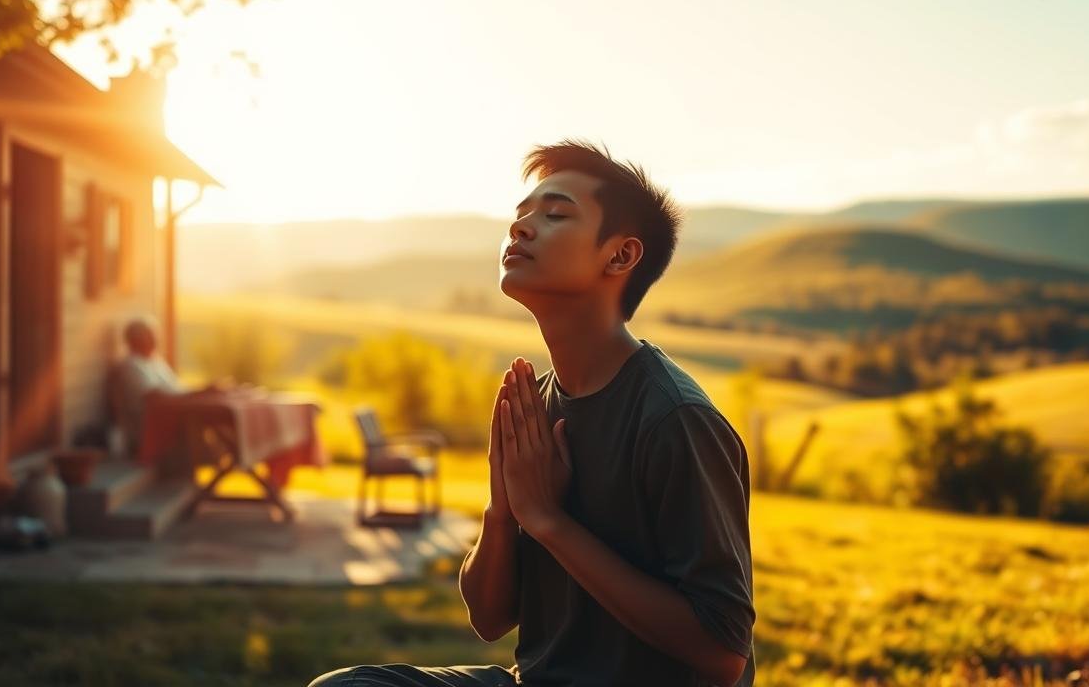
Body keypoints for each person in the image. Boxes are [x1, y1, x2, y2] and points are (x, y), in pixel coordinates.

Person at [309, 140, 756, 687]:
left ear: (620, 256)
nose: (520, 228)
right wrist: (505, 508)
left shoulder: (675, 419)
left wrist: (548, 520)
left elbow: (723, 653)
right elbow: (489, 617)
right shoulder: (535, 405)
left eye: (555, 215)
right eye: (520, 214)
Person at [111, 314, 206, 458]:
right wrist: (196, 394)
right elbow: (153, 396)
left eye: (154, 335)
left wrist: (202, 391)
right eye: (150, 336)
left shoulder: (156, 362)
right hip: (152, 424)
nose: (156, 340)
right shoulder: (131, 365)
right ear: (135, 340)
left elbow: (177, 388)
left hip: (173, 414)